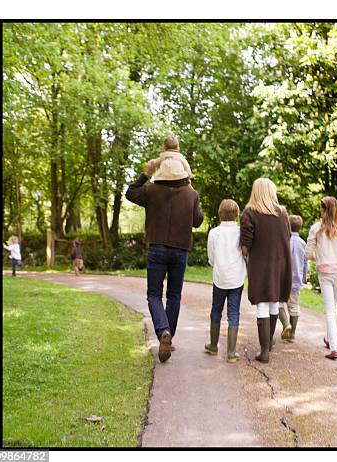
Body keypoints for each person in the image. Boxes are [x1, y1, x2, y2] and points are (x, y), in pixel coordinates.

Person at [125, 144, 204, 363]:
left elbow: (130, 192)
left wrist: (145, 174)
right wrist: (191, 187)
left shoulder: (151, 190)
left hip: (157, 247)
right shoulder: (191, 194)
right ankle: (168, 335)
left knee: (153, 294)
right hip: (180, 250)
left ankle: (163, 333)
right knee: (174, 295)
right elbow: (198, 221)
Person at [240, 178, 292, 363]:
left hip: (260, 264)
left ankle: (264, 352)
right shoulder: (283, 212)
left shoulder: (249, 213)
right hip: (280, 263)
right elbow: (286, 236)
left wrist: (245, 255)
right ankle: (268, 345)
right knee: (273, 302)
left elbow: (246, 243)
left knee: (262, 303)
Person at [305, 197, 337, 360]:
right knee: (333, 306)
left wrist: (319, 257)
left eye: (321, 208)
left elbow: (307, 254)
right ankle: (329, 338)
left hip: (325, 274)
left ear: (324, 210)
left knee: (329, 309)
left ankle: (335, 348)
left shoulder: (316, 229)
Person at [204, 199, 247, 363]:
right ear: (237, 214)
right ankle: (231, 352)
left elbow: (211, 256)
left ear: (220, 213)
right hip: (237, 278)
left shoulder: (214, 232)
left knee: (216, 310)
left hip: (220, 277)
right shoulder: (240, 232)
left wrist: (217, 265)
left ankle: (213, 346)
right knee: (233, 312)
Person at [278, 215, 308, 342]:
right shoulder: (303, 243)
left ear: (288, 226)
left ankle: (286, 324)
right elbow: (306, 263)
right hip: (296, 280)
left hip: (282, 279)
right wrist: (304, 277)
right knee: (294, 306)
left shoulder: (283, 241)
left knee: (277, 303)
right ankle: (292, 334)